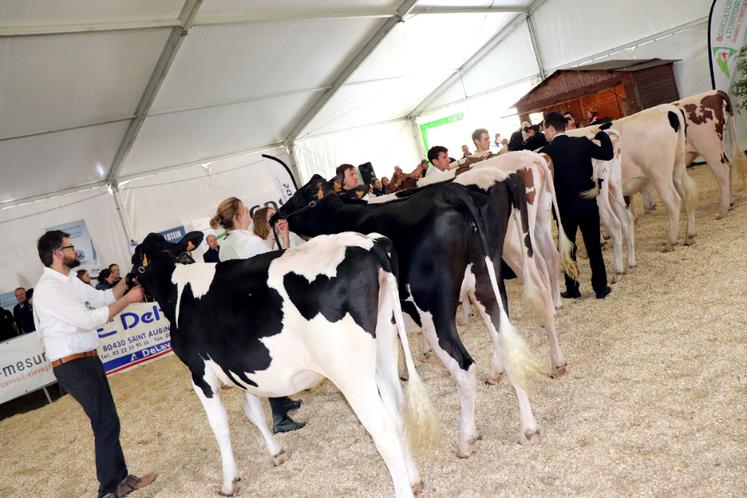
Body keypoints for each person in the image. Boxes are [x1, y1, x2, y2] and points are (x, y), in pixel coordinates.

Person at [33, 230, 156, 498]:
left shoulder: (69, 281)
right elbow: (89, 320)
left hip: (88, 359)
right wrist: (129, 300)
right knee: (104, 422)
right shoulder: (50, 288)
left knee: (108, 420)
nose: (75, 251)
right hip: (71, 365)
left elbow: (103, 298)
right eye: (70, 246)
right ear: (57, 253)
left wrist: (129, 279)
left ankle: (122, 480)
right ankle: (107, 490)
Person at [210, 197, 305, 434]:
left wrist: (274, 236)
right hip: (263, 306)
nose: (248, 215)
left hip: (243, 309)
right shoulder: (250, 242)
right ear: (239, 216)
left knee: (270, 356)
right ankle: (280, 418)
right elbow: (277, 264)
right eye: (245, 210)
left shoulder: (227, 244)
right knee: (276, 357)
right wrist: (283, 239)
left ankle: (282, 401)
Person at [540, 111, 614, 299]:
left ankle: (573, 288)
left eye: (544, 130)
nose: (544, 134)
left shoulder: (546, 154)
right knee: (593, 247)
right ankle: (600, 288)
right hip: (588, 204)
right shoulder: (581, 142)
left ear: (550, 128)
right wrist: (600, 134)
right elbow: (608, 154)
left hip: (565, 209)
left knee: (567, 248)